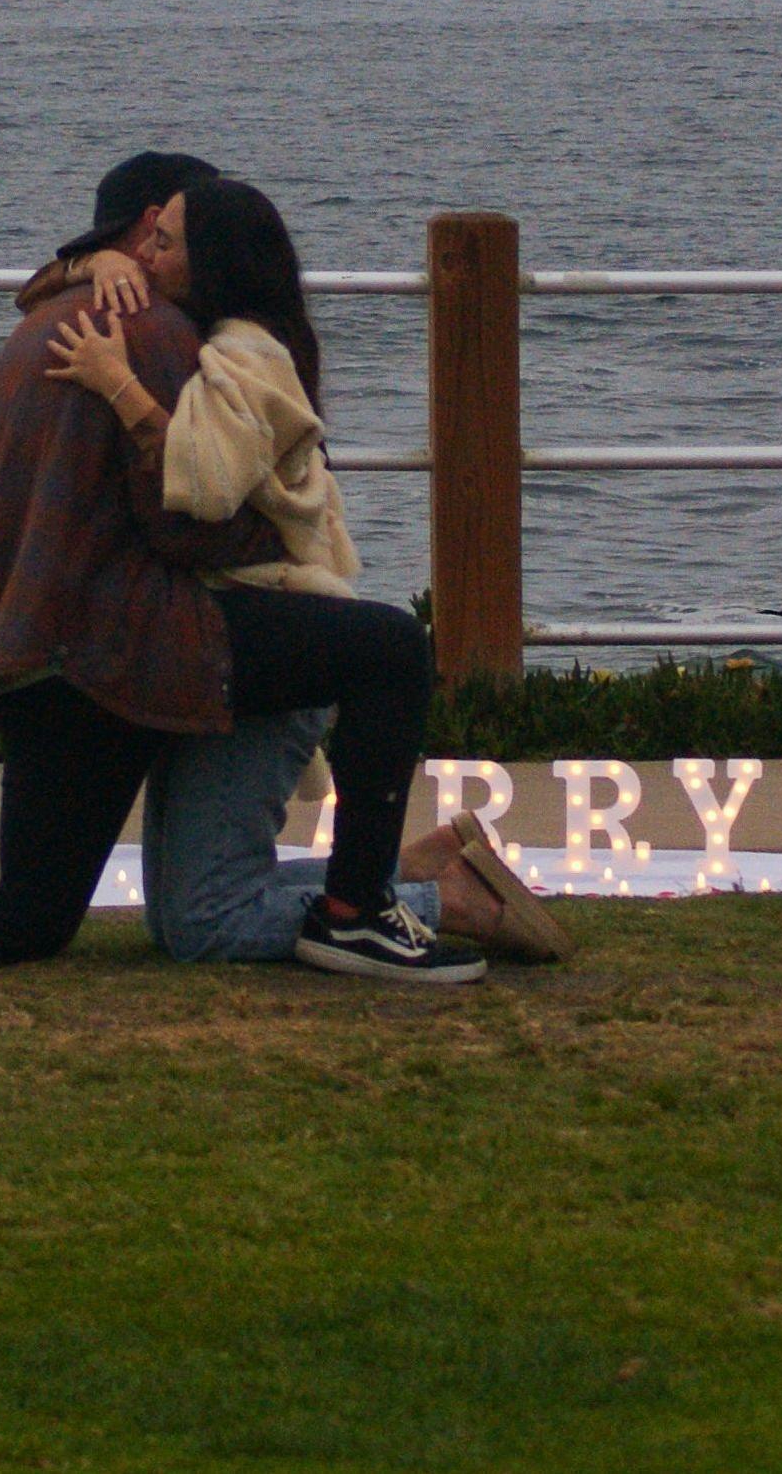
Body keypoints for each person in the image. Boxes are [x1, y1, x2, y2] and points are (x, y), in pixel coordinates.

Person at [0, 155, 487, 988]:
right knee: (388, 648)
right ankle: (367, 907)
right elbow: (184, 521)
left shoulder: (39, 325)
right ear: (146, 227)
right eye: (162, 234)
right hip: (124, 649)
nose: (162, 254)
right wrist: (278, 543)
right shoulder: (151, 336)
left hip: (30, 647)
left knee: (32, 910)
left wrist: (78, 266)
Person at [51, 175, 566, 971]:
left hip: (272, 631)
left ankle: (444, 899)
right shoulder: (222, 334)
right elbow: (42, 285)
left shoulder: (248, 354)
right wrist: (93, 262)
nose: (144, 252)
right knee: (177, 916)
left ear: (211, 260)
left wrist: (116, 383)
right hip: (226, 633)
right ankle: (416, 870)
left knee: (204, 927)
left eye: (163, 242)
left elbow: (208, 484)